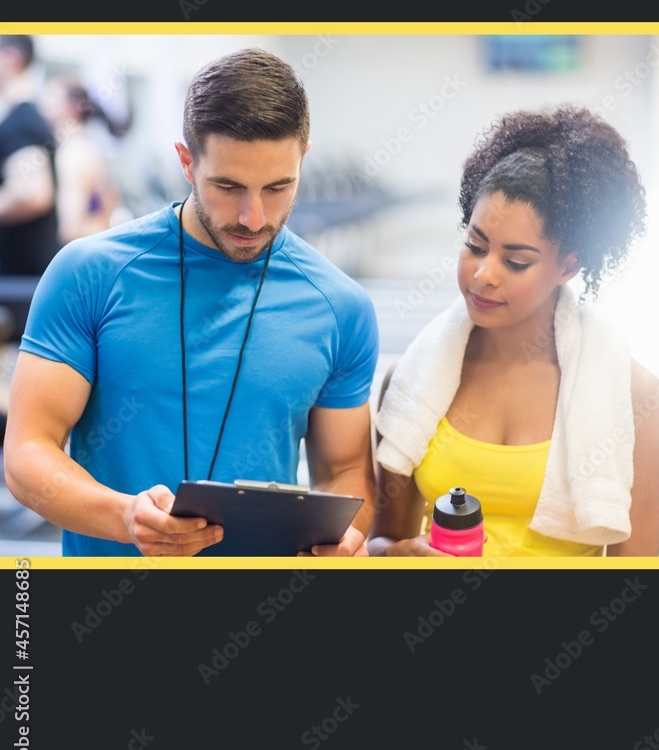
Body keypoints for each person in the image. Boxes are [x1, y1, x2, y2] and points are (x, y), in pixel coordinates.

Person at [3, 48, 379, 557]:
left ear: (302, 160)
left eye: (278, 187)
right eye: (228, 186)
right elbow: (27, 454)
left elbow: (343, 471)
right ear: (186, 162)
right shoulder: (89, 273)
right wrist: (124, 518)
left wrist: (346, 536)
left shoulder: (341, 307)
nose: (253, 217)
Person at [368, 103, 659, 558]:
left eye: (516, 261)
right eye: (474, 246)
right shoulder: (412, 378)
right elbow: (381, 538)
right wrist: (396, 555)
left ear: (569, 264)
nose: (483, 274)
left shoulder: (634, 398)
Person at [0, 35, 59, 277]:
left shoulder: (21, 121)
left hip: (21, 280)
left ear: (11, 59)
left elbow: (31, 194)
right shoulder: (25, 118)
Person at [41, 77, 126, 245]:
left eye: (51, 98)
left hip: (82, 252)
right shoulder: (89, 147)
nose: (44, 105)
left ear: (72, 108)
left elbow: (71, 229)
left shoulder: (73, 153)